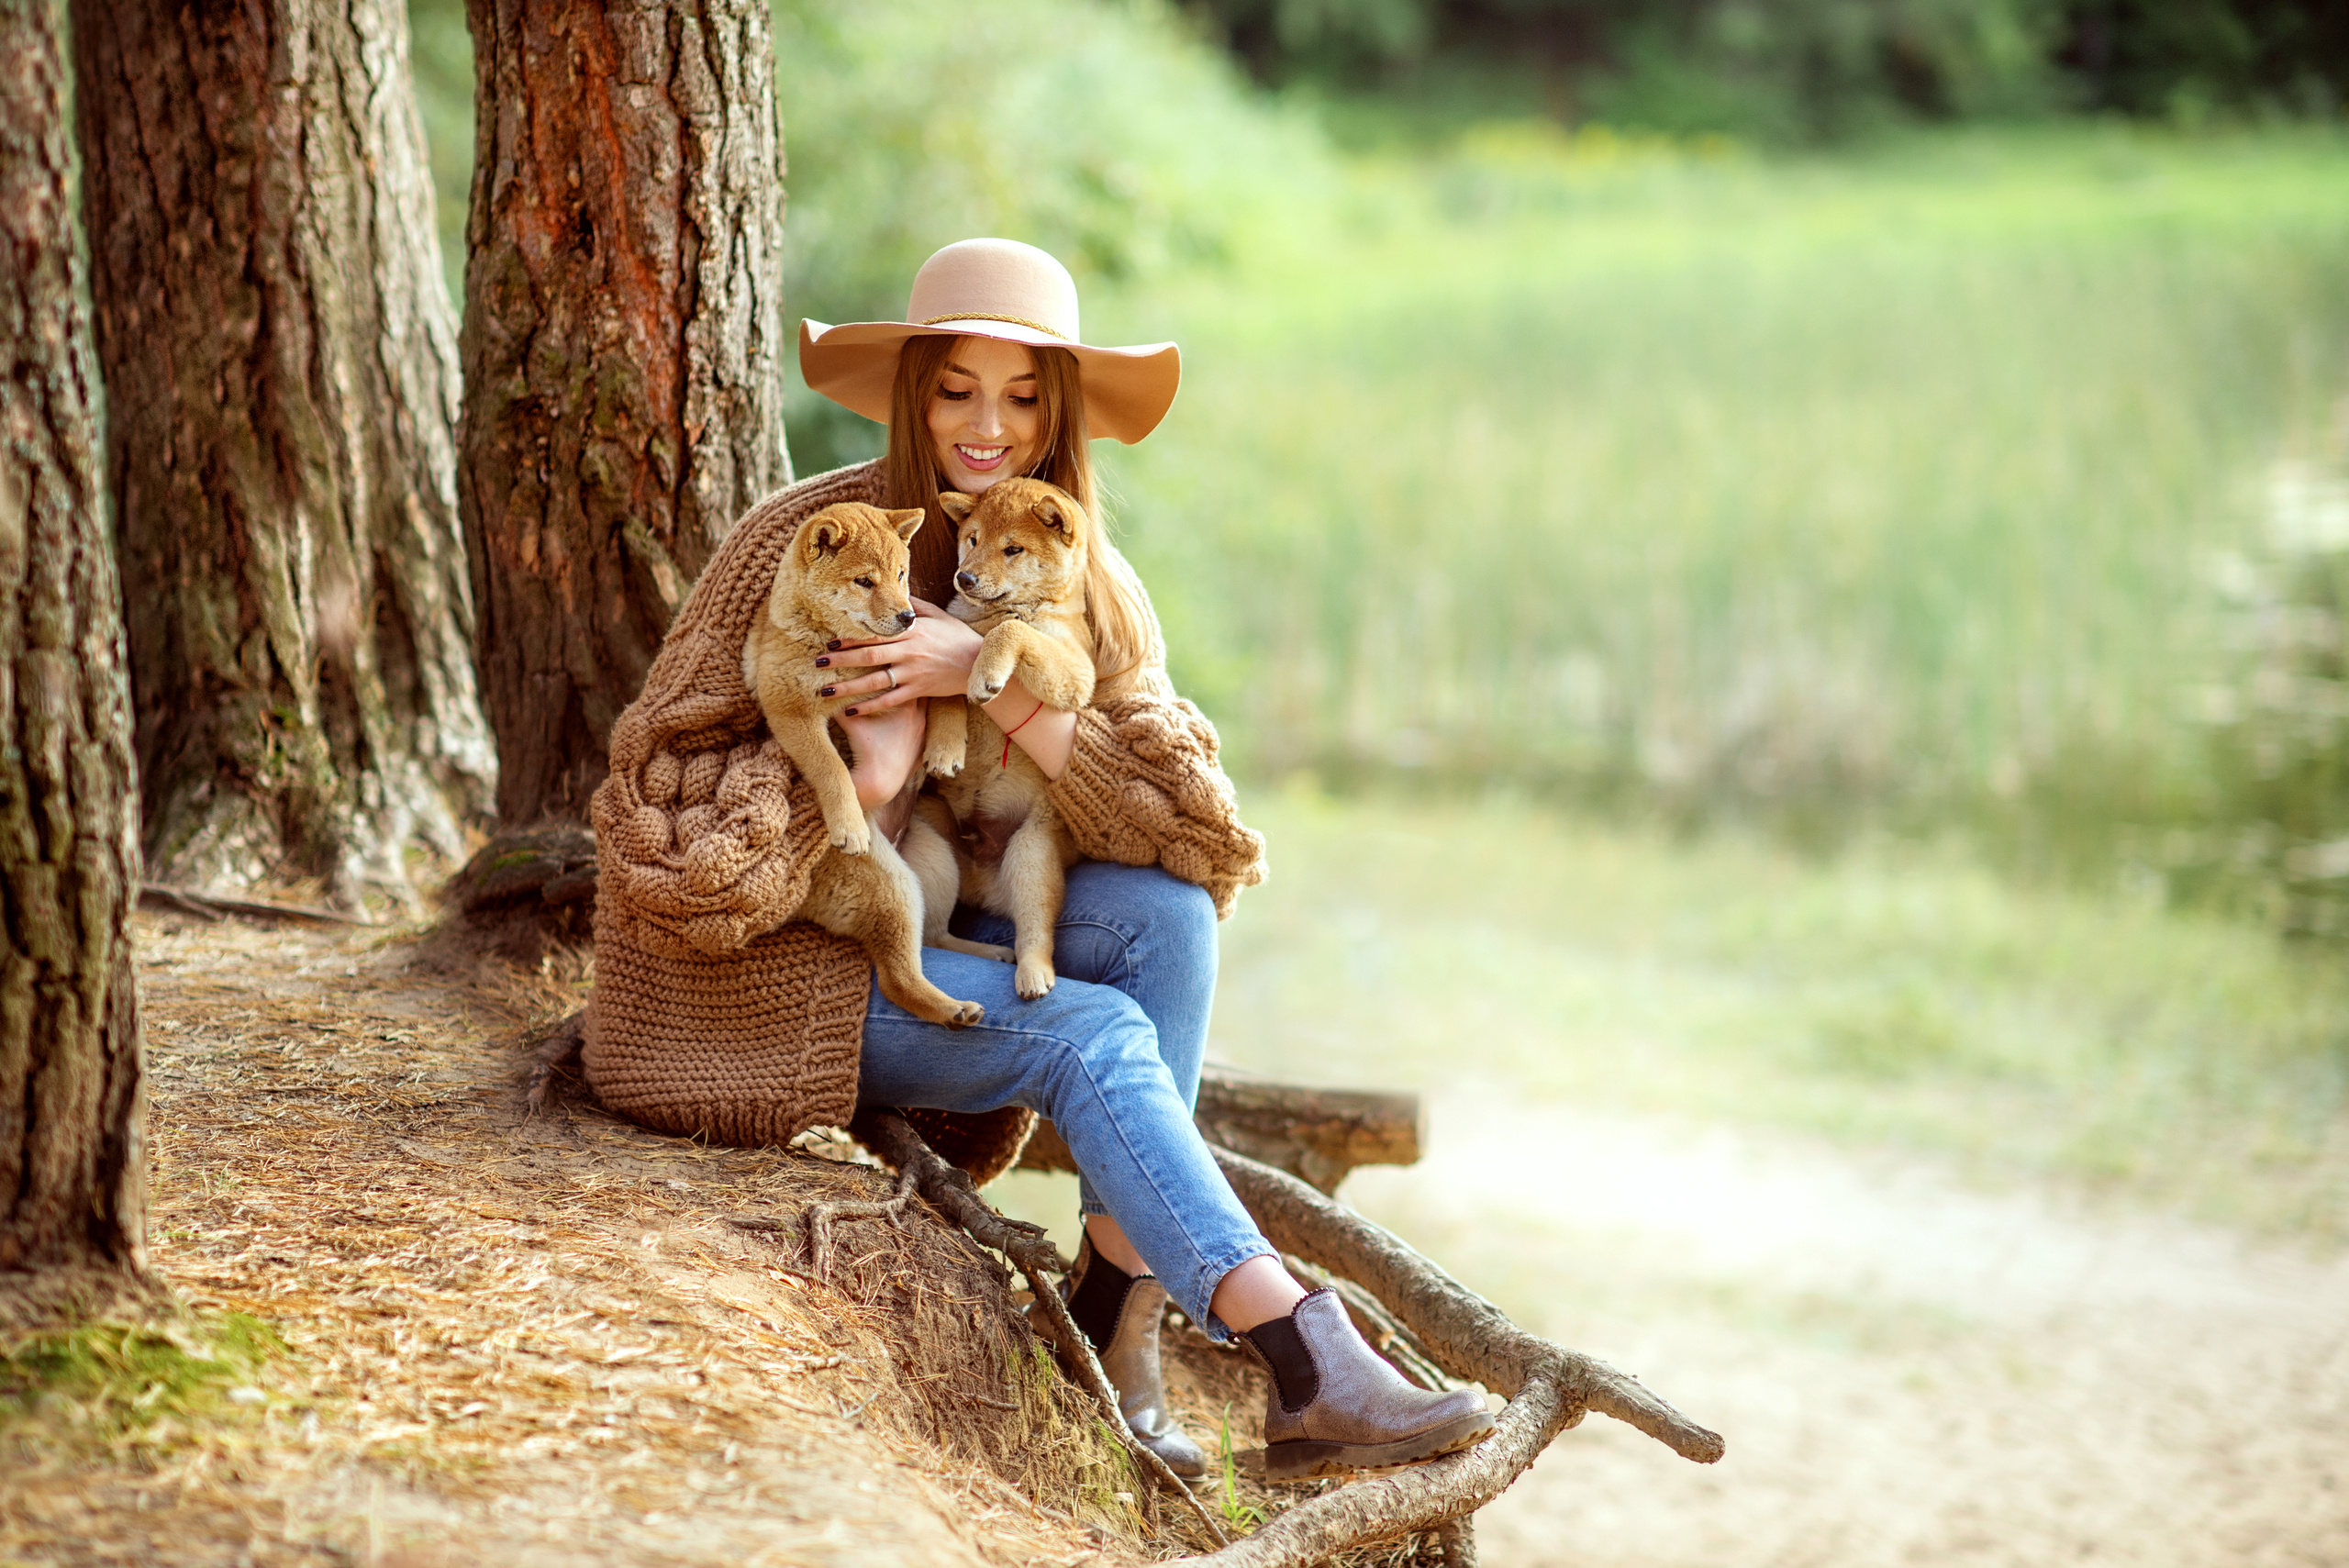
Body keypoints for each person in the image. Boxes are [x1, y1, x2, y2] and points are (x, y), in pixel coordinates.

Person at [585, 238, 1493, 1483]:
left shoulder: (1089, 582)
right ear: (913, 391)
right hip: (781, 986)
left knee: (1170, 918)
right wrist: (875, 775)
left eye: (1022, 396)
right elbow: (660, 833)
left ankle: (1119, 1315)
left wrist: (991, 685)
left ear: (1059, 414)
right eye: (957, 388)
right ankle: (1299, 1353)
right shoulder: (797, 541)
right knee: (1091, 1036)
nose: (986, 426)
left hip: (960, 934)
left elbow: (1194, 831)